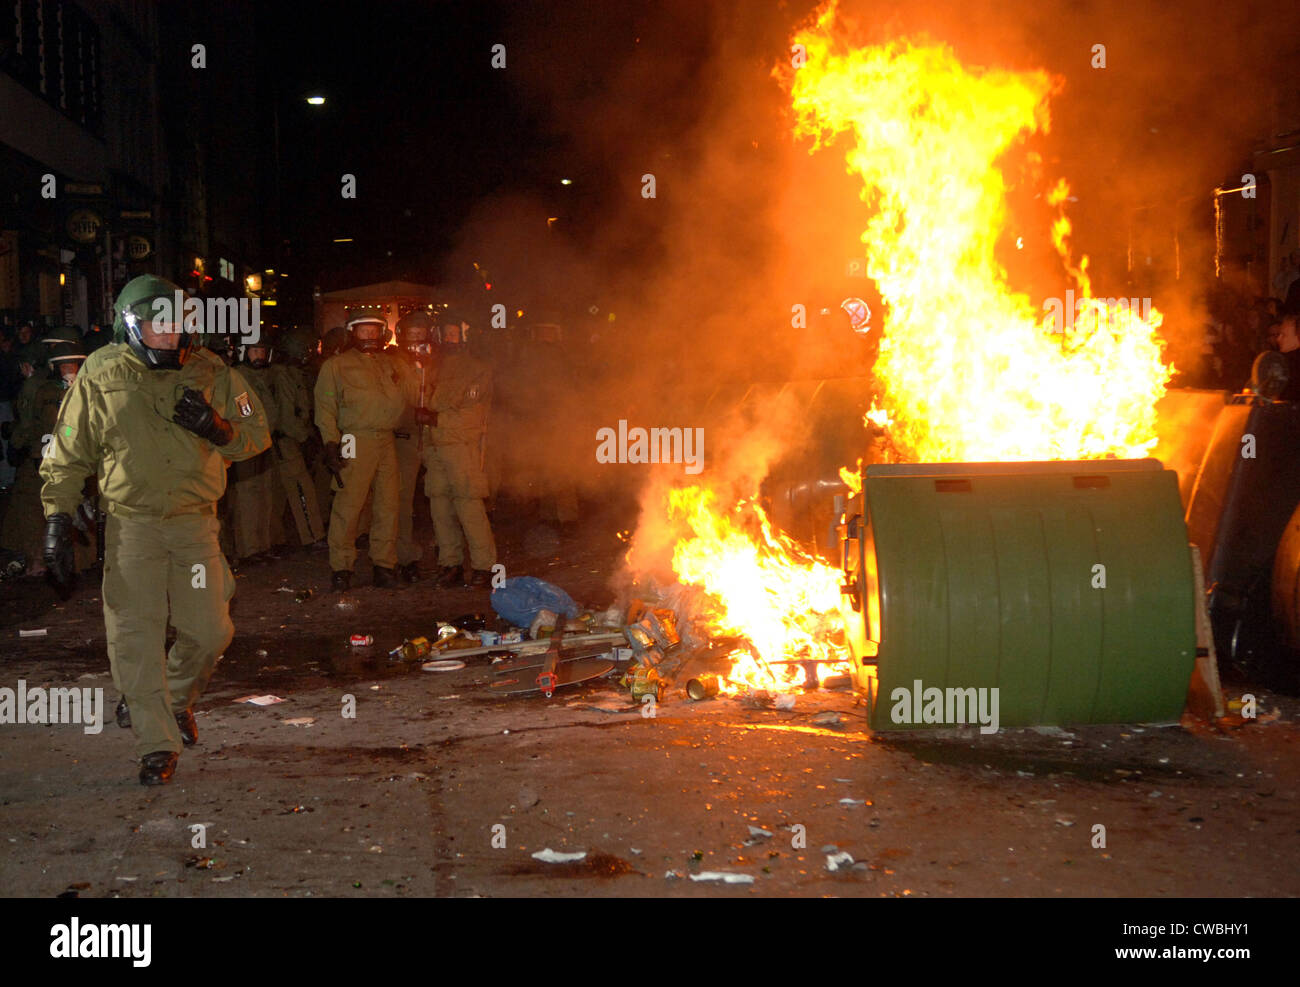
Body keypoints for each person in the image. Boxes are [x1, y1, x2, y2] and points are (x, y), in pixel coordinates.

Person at [40, 275, 270, 785]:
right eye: (158, 324)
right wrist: (57, 515)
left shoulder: (213, 370)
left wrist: (219, 428)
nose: (170, 334)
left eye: (178, 324)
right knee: (135, 636)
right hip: (133, 527)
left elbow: (257, 436)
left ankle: (176, 699)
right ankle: (155, 742)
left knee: (210, 630)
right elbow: (68, 447)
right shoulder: (100, 372)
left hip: (194, 524)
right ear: (132, 325)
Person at [314, 311, 410, 591]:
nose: (369, 336)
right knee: (349, 504)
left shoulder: (392, 364)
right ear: (352, 333)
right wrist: (331, 441)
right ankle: (342, 567)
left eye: (373, 331)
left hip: (386, 439)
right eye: (363, 331)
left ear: (381, 334)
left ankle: (384, 565)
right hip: (355, 438)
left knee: (388, 505)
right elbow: (325, 405)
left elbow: (413, 393)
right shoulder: (337, 366)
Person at [0, 333, 92, 572]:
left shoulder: (60, 392)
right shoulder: (56, 391)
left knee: (42, 508)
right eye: (65, 366)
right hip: (57, 459)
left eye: (72, 365)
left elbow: (55, 428)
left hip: (58, 461)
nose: (69, 371)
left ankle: (47, 561)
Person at [418, 321, 497, 587]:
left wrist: (435, 419)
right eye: (446, 333)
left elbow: (473, 416)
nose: (450, 339)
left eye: (455, 334)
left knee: (469, 507)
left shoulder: (477, 370)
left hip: (461, 447)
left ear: (465, 335)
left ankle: (484, 567)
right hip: (435, 448)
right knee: (439, 507)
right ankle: (450, 564)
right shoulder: (431, 367)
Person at [227, 332, 282, 563]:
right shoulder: (238, 376)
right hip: (247, 443)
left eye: (262, 351)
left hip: (265, 443)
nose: (259, 355)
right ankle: (249, 549)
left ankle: (262, 545)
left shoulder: (267, 376)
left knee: (264, 495)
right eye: (254, 351)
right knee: (247, 498)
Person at [271, 328, 326, 546]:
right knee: (301, 487)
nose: (311, 353)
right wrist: (306, 438)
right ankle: (313, 536)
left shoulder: (292, 373)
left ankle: (274, 539)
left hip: (288, 439)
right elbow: (287, 416)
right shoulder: (282, 375)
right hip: (286, 441)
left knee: (278, 493)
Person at [392, 311, 435, 582]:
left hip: (433, 436)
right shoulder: (392, 362)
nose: (417, 338)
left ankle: (449, 556)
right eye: (412, 333)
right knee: (402, 501)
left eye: (422, 333)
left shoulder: (438, 361)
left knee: (444, 497)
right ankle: (404, 556)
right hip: (406, 438)